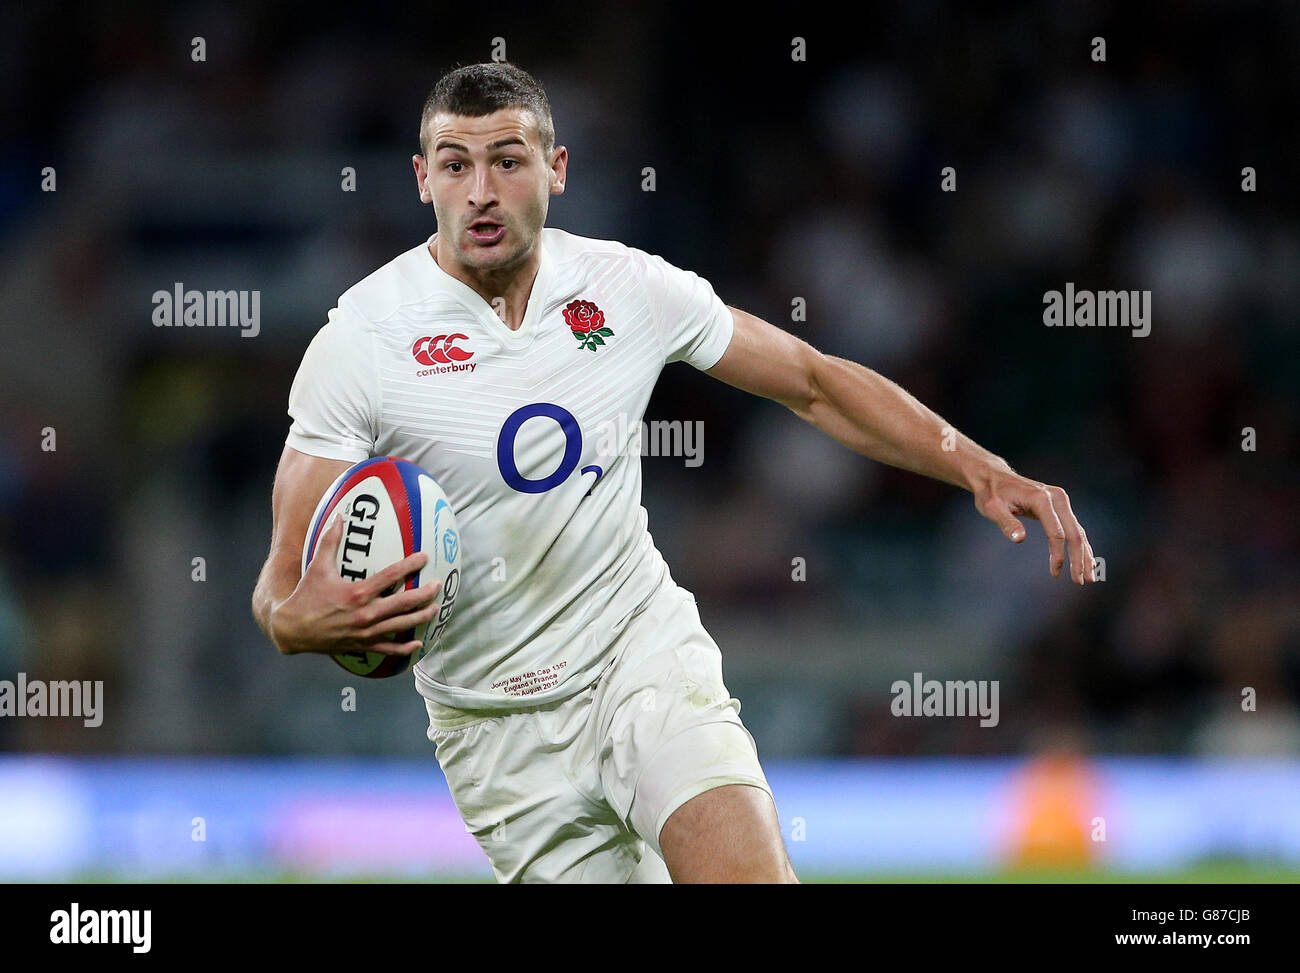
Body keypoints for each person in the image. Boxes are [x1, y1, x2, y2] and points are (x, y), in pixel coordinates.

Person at [251, 61, 1097, 884]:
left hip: (639, 660)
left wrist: (976, 465)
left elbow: (811, 381)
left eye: (507, 161)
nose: (480, 190)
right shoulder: (363, 339)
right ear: (421, 179)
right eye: (455, 164)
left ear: (557, 168)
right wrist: (303, 623)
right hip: (495, 729)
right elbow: (281, 587)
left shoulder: (626, 288)